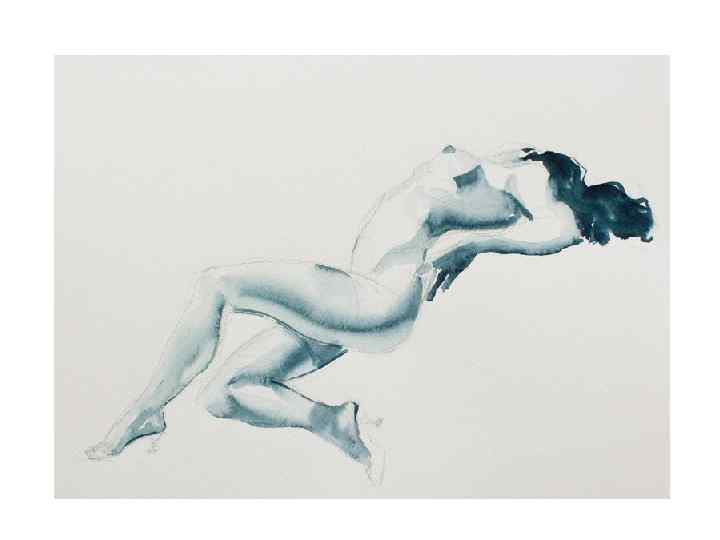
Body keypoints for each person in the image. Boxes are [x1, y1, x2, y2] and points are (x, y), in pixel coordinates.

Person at [86, 145, 654, 483]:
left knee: (218, 283)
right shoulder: (519, 167)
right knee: (226, 393)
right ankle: (333, 423)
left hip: (373, 299)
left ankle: (142, 414)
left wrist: (473, 246)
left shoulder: (540, 186)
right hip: (361, 296)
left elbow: (560, 230)